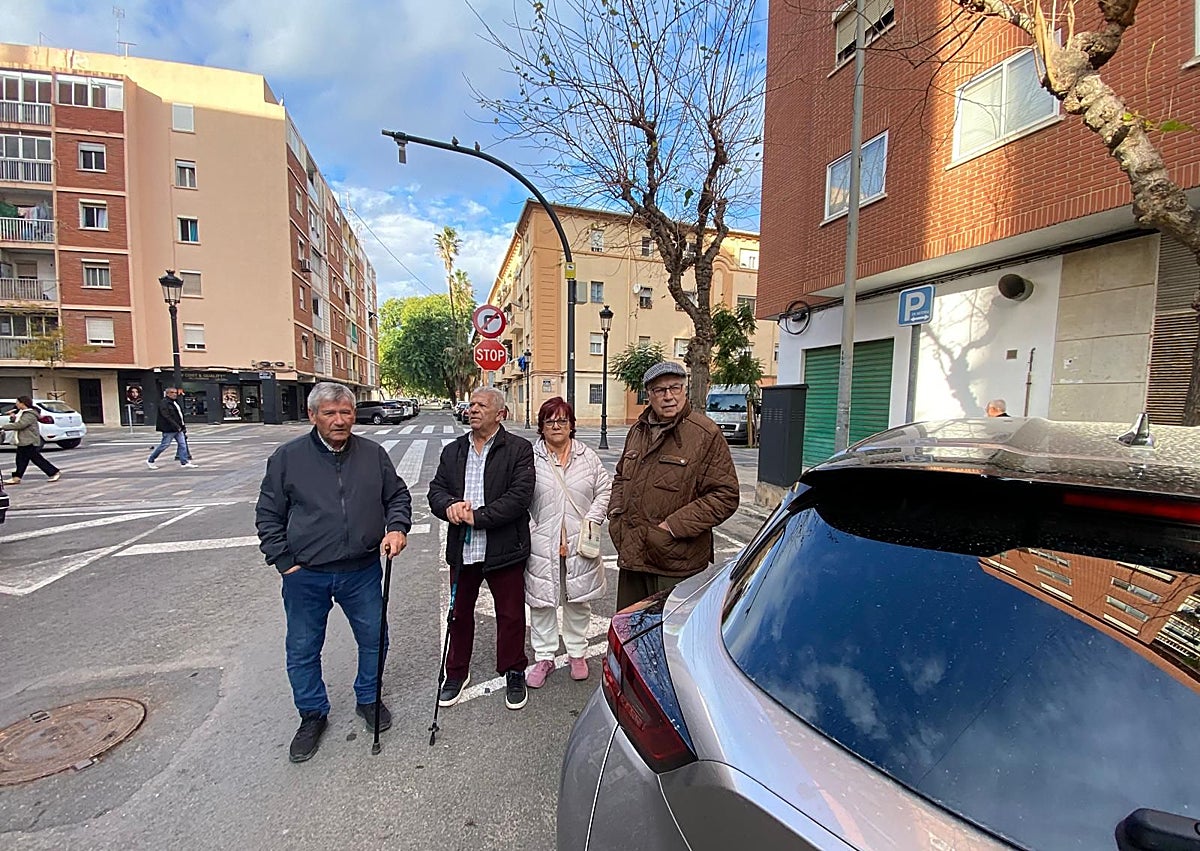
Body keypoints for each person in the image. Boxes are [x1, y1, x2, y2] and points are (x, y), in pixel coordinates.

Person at [256, 382, 412, 763]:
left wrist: (397, 526)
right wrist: (284, 563)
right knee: (303, 648)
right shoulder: (288, 458)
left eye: (346, 412)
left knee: (375, 638)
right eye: (330, 413)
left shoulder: (373, 455)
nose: (340, 420)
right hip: (306, 574)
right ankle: (312, 714)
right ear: (313, 416)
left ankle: (369, 698)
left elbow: (397, 496)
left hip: (361, 570)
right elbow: (268, 515)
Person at [428, 386, 535, 711]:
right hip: (463, 549)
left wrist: (477, 517)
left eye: (481, 405)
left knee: (511, 614)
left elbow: (519, 497)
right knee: (458, 614)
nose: (473, 409)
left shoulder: (518, 449)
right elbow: (436, 490)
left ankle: (513, 669)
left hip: (504, 547)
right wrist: (448, 507)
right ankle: (456, 672)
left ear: (500, 413)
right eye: (471, 404)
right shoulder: (453, 451)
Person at [609, 362, 740, 610]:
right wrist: (616, 515)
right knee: (632, 636)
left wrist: (671, 527)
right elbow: (620, 476)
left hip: (676, 561)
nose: (668, 396)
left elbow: (725, 496)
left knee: (669, 639)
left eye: (675, 388)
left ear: (685, 390)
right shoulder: (638, 430)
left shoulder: (705, 433)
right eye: (660, 390)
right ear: (649, 395)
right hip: (633, 557)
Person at [525, 397, 612, 687]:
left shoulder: (587, 456)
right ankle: (545, 657)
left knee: (578, 600)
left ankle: (576, 652)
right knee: (541, 602)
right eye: (549, 421)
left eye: (562, 420)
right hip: (541, 543)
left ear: (571, 424)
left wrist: (593, 519)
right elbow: (517, 494)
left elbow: (605, 489)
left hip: (580, 541)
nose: (556, 426)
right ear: (541, 426)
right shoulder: (529, 457)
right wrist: (532, 526)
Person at [2, 396, 61, 485]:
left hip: (29, 440)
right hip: (23, 440)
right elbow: (18, 422)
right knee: (21, 460)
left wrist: (3, 427)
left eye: (17, 402)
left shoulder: (29, 414)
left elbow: (21, 425)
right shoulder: (22, 413)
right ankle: (17, 477)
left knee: (36, 459)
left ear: (23, 403)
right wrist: (13, 417)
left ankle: (53, 472)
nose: (16, 404)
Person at [147, 387, 198, 469]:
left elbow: (179, 416)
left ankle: (184, 462)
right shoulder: (164, 403)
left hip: (178, 428)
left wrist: (182, 426)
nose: (175, 394)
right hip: (169, 428)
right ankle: (151, 460)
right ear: (167, 394)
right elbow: (166, 416)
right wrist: (177, 426)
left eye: (175, 392)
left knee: (182, 444)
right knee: (164, 445)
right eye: (172, 392)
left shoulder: (174, 403)